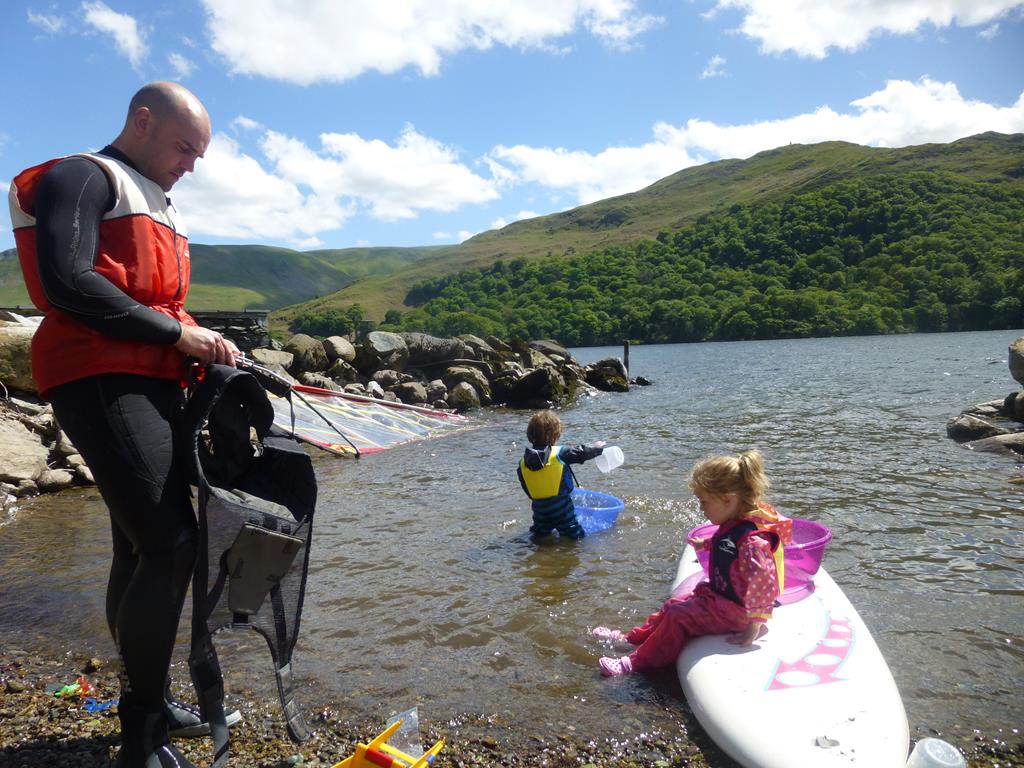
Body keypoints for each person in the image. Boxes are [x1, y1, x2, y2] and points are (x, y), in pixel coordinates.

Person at [8, 82, 240, 767]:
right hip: (97, 376)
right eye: (184, 147)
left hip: (152, 380)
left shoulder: (161, 203)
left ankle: (151, 700)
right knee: (171, 545)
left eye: (199, 155)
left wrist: (205, 342)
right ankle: (141, 733)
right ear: (142, 121)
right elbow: (68, 281)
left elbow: (155, 300)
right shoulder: (83, 176)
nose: (191, 165)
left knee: (139, 549)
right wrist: (176, 334)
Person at [592, 449, 789, 676]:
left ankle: (634, 663)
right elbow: (729, 546)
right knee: (672, 605)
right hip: (720, 599)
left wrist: (754, 625)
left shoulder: (753, 542)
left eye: (704, 502)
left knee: (679, 616)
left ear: (728, 499)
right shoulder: (734, 521)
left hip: (738, 613)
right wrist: (708, 545)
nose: (701, 508)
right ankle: (631, 638)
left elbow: (763, 582)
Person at [517, 410, 605, 539]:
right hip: (561, 506)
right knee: (574, 535)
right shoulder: (560, 453)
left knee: (540, 535)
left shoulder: (523, 462)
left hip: (539, 508)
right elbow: (582, 452)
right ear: (554, 434)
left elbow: (527, 488)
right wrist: (597, 447)